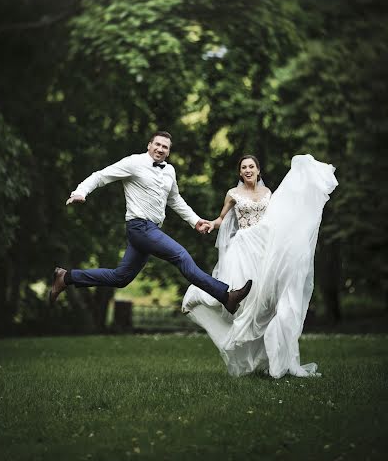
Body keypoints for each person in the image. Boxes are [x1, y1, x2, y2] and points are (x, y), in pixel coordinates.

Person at [49, 131, 252, 314]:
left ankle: (66, 277)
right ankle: (226, 296)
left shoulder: (169, 171)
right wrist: (80, 192)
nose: (160, 149)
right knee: (182, 256)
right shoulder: (134, 163)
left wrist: (195, 221)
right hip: (139, 226)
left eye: (165, 147)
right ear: (149, 145)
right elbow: (101, 176)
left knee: (121, 278)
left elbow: (175, 200)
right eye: (157, 144)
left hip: (150, 230)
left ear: (168, 152)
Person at [182, 153, 338, 379]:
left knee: (266, 302)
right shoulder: (233, 194)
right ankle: (197, 295)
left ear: (258, 170)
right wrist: (209, 224)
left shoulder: (268, 194)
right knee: (241, 299)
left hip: (264, 248)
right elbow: (222, 219)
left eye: (251, 166)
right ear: (240, 172)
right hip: (243, 248)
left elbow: (277, 219)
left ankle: (268, 358)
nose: (248, 170)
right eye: (244, 167)